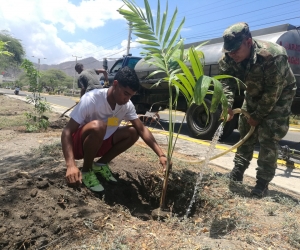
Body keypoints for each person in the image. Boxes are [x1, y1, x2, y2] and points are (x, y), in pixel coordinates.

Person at [219, 22, 296, 197]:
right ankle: (237, 172)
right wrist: (228, 105)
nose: (232, 54)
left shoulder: (273, 56)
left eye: (236, 50)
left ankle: (262, 183)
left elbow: (272, 92)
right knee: (245, 129)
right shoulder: (229, 56)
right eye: (229, 50)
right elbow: (226, 82)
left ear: (248, 42)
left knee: (268, 136)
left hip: (279, 95)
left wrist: (258, 116)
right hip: (253, 92)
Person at [61, 66, 168, 192]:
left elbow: (142, 129)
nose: (127, 99)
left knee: (133, 132)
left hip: (101, 144)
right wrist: (71, 165)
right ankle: (86, 171)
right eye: (125, 94)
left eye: (131, 96)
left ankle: (100, 164)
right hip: (79, 146)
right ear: (115, 84)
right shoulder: (91, 99)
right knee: (99, 126)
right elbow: (66, 132)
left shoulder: (126, 105)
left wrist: (161, 154)